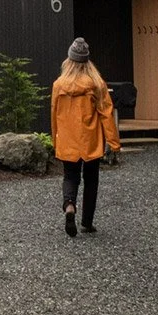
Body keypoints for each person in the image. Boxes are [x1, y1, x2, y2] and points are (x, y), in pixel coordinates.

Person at [51, 36, 120, 237]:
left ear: (69, 60)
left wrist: (55, 140)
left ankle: (70, 205)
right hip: (91, 139)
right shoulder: (96, 84)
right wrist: (114, 143)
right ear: (87, 61)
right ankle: (87, 222)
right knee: (91, 180)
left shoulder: (59, 85)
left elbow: (54, 114)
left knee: (70, 176)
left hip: (67, 138)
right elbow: (106, 113)